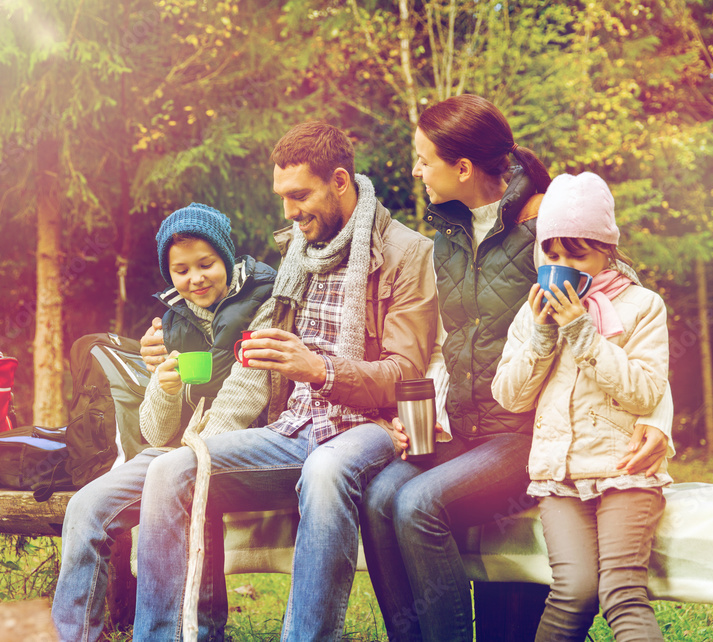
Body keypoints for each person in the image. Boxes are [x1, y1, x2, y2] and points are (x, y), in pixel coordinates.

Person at [359, 94, 674, 642]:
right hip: (467, 427)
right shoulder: (448, 236)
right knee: (381, 494)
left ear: (462, 167)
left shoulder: (548, 228)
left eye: (423, 159)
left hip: (525, 434)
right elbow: (446, 344)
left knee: (416, 502)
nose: (414, 170)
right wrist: (426, 411)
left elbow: (626, 311)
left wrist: (660, 421)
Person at [132, 121, 439, 641]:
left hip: (371, 427)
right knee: (170, 471)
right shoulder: (298, 250)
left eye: (299, 195)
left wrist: (321, 370)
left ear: (339, 181)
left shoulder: (407, 253)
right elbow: (256, 364)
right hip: (295, 426)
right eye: (283, 197)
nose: (289, 212)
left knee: (323, 471)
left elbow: (404, 374)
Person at [51, 203, 276, 642]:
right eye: (181, 270)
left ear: (227, 257)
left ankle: (169, 634)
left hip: (250, 445)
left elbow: (246, 394)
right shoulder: (173, 320)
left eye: (206, 264)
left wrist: (189, 457)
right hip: (179, 450)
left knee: (174, 477)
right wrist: (164, 387)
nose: (195, 279)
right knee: (85, 507)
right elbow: (154, 432)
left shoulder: (264, 297)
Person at [492, 172, 671, 641]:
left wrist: (582, 332)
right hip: (559, 479)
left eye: (577, 254)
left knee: (621, 593)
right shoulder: (529, 316)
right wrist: (543, 334)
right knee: (572, 591)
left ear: (607, 251)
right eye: (552, 254)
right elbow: (510, 396)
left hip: (625, 473)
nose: (562, 264)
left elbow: (645, 391)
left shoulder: (642, 306)